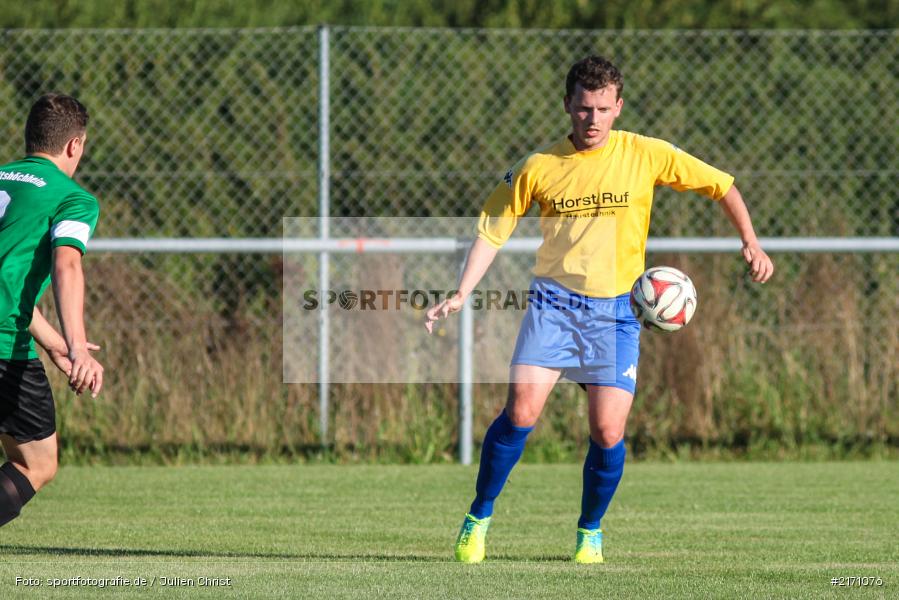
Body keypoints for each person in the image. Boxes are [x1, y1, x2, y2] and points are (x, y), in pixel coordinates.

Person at [425, 56, 773, 564]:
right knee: (521, 411)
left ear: (618, 108)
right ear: (567, 104)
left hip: (615, 313)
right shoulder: (538, 165)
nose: (592, 119)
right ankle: (478, 517)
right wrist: (460, 292)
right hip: (553, 304)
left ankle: (590, 531)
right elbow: (490, 232)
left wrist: (751, 242)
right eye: (584, 108)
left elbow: (721, 184)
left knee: (607, 431)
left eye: (603, 109)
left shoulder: (645, 154)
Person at [0, 93, 104, 528]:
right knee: (35, 463)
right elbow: (67, 264)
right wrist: (79, 347)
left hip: (12, 331)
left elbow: (7, 279)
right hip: (4, 346)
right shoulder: (72, 199)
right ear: (74, 146)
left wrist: (55, 344)